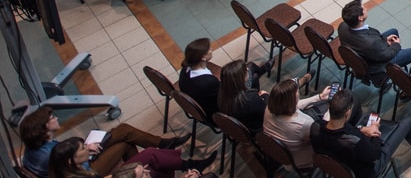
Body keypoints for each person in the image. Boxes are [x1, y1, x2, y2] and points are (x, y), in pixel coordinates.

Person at [18, 107, 197, 178]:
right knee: (144, 150)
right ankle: (161, 158)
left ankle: (154, 158)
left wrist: (86, 149)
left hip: (83, 165)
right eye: (51, 118)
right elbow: (80, 170)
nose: (56, 118)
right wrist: (88, 153)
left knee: (125, 135)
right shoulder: (51, 155)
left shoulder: (36, 147)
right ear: (43, 127)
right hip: (90, 169)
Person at [310, 88, 411, 178]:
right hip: (367, 171)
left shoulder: (315, 128)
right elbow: (375, 155)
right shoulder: (355, 142)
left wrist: (362, 130)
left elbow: (346, 132)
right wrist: (375, 130)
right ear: (347, 113)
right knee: (408, 123)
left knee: (364, 121)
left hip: (341, 163)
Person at [336, 0, 411, 80]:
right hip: (379, 64)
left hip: (366, 53)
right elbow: (386, 55)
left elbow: (373, 44)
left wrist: (384, 40)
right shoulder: (371, 43)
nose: (366, 8)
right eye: (364, 8)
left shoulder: (342, 26)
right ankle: (409, 85)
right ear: (360, 18)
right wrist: (396, 45)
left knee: (393, 31)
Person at [262, 78, 339, 172]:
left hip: (279, 149)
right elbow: (324, 130)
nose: (298, 93)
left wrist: (320, 97)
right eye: (297, 93)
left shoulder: (268, 109)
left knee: (322, 103)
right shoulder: (305, 124)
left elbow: (296, 106)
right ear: (291, 102)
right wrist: (332, 109)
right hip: (302, 161)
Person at [216, 59, 268, 132]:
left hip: (240, 128)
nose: (247, 69)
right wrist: (265, 96)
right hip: (257, 129)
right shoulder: (250, 98)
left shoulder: (222, 95)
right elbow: (266, 111)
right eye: (245, 70)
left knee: (255, 77)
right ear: (241, 78)